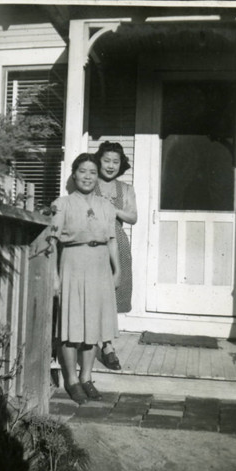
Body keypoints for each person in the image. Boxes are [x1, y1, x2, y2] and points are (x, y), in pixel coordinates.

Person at [48, 153, 120, 405]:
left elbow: (111, 241)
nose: (87, 176)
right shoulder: (63, 204)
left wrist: (117, 270)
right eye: (82, 171)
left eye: (92, 172)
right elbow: (52, 243)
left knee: (94, 326)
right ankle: (71, 380)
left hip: (100, 265)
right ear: (74, 174)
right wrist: (54, 277)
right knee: (71, 325)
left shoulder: (106, 206)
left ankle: (87, 377)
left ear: (97, 176)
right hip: (73, 263)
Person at [94, 141, 138, 370]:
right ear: (98, 161)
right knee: (92, 293)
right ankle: (89, 341)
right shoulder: (89, 182)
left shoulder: (125, 189)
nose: (110, 166)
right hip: (91, 242)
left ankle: (108, 345)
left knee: (112, 293)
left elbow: (133, 217)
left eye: (115, 162)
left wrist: (114, 210)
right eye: (106, 160)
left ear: (121, 165)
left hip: (117, 241)